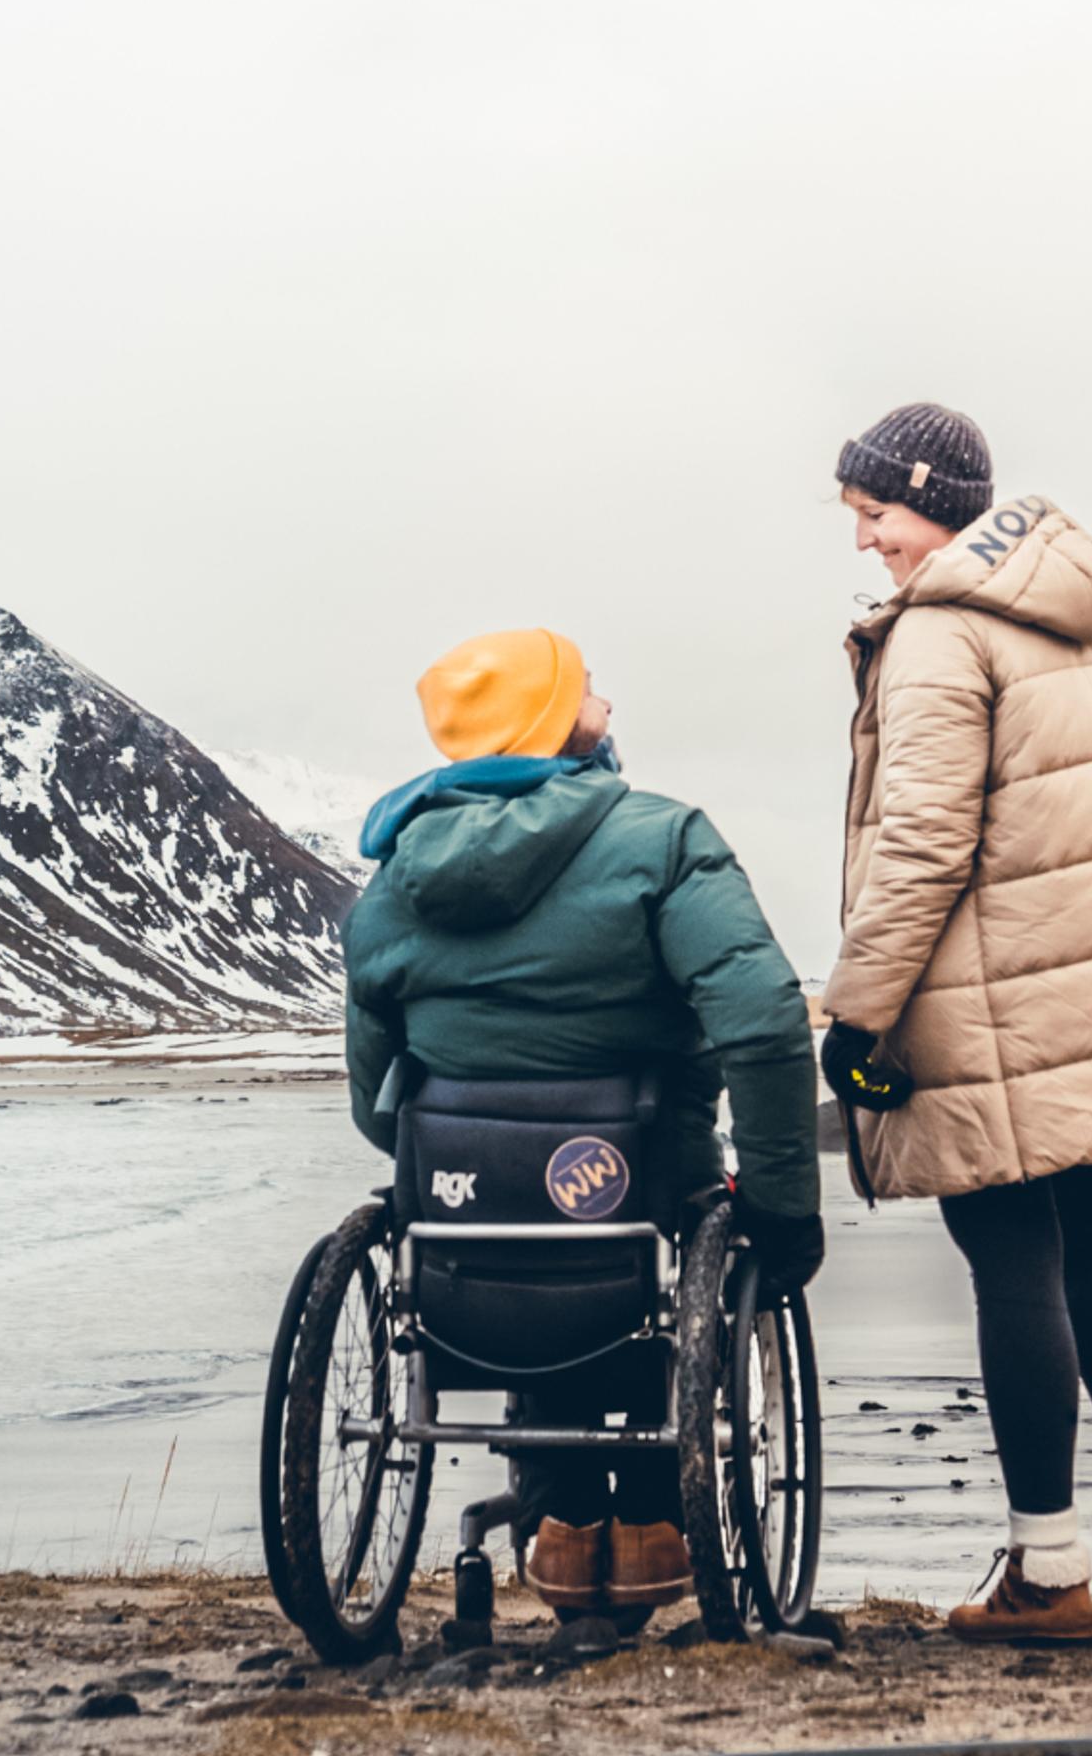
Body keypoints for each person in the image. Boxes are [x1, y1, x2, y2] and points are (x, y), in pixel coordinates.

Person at [820, 402, 1092, 1647]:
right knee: (1090, 1246)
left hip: (988, 1004)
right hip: (1091, 997)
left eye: (874, 515)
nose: (865, 543)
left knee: (1010, 1262)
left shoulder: (943, 635)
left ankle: (1046, 1570)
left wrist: (857, 1015)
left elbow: (925, 845)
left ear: (930, 501)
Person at [340, 627, 824, 1623]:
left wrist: (456, 1159)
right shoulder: (663, 839)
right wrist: (782, 1209)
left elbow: (374, 1092)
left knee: (528, 1221)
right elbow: (765, 1023)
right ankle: (650, 1522)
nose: (607, 706)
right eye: (590, 692)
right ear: (551, 723)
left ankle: (560, 1526)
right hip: (642, 1190)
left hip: (467, 1228)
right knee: (663, 1222)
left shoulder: (393, 880)